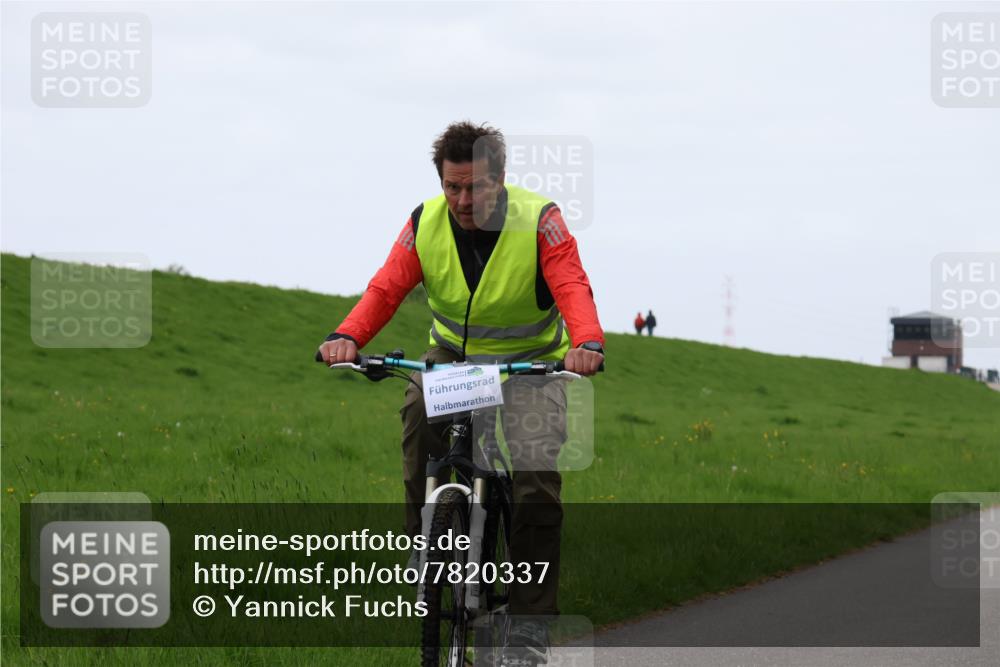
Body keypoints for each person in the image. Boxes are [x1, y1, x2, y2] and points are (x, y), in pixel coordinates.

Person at [317, 121, 605, 660]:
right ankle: (424, 551)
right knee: (418, 407)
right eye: (453, 187)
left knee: (535, 477)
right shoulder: (423, 222)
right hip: (457, 360)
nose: (463, 200)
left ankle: (529, 625)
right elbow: (386, 286)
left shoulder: (541, 221)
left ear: (500, 179)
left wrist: (585, 342)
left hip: (530, 365)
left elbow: (571, 283)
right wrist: (347, 335)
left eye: (475, 187)